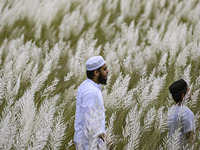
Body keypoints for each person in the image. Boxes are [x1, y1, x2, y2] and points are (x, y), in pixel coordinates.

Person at [74, 56, 113, 150]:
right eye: (104, 69)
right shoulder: (90, 91)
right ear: (96, 72)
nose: (107, 71)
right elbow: (87, 120)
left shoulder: (88, 85)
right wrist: (105, 138)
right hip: (88, 144)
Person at [168, 79, 195, 148]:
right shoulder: (186, 112)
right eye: (188, 90)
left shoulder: (171, 109)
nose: (191, 91)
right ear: (183, 96)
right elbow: (190, 139)